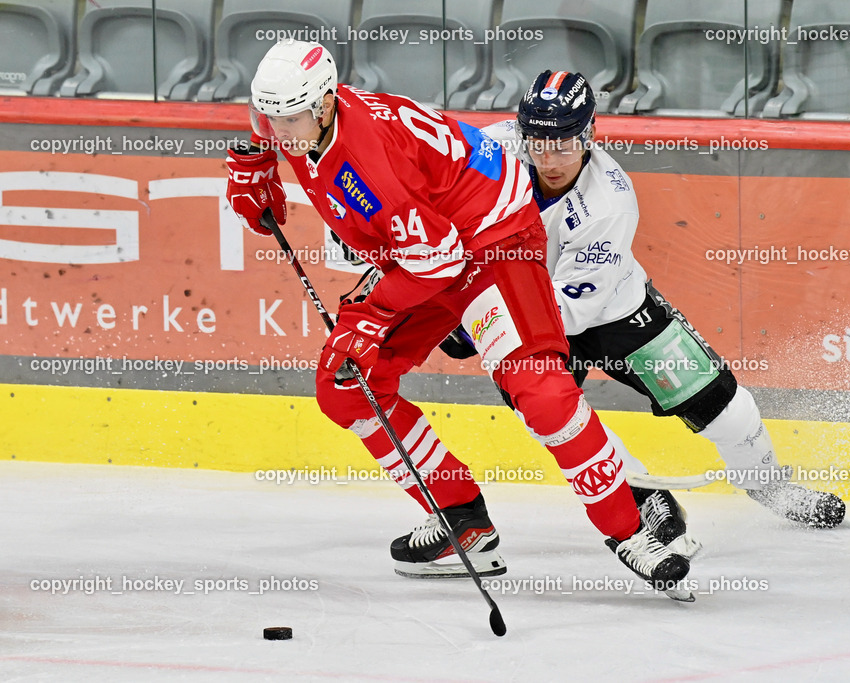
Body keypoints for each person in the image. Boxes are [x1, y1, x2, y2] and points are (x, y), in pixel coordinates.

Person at [223, 41, 692, 599]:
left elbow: (439, 256)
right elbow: (417, 247)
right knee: (347, 389)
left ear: (325, 105)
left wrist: (369, 318)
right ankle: (461, 521)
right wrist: (257, 165)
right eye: (267, 118)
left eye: (288, 120)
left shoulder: (368, 161)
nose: (278, 130)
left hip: (493, 244)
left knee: (542, 393)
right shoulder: (304, 118)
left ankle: (632, 530)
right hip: (424, 249)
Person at [441, 70, 846, 529]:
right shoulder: (488, 150)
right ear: (521, 132)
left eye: (565, 144)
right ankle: (640, 494)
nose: (550, 158)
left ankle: (770, 485)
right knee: (555, 418)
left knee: (725, 407)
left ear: (590, 133)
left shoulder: (610, 203)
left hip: (613, 313)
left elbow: (570, 312)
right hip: (520, 309)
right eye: (538, 142)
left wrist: (481, 318)